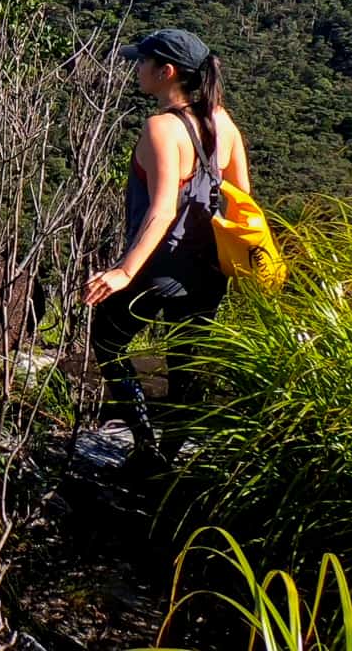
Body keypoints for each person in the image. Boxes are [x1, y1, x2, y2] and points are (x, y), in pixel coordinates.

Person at [83, 28, 249, 465]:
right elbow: (243, 203)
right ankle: (171, 462)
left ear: (166, 72)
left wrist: (123, 270)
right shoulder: (224, 124)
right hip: (209, 272)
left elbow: (161, 210)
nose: (137, 69)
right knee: (185, 367)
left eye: (143, 62)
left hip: (159, 266)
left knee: (107, 339)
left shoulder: (161, 128)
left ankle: (145, 445)